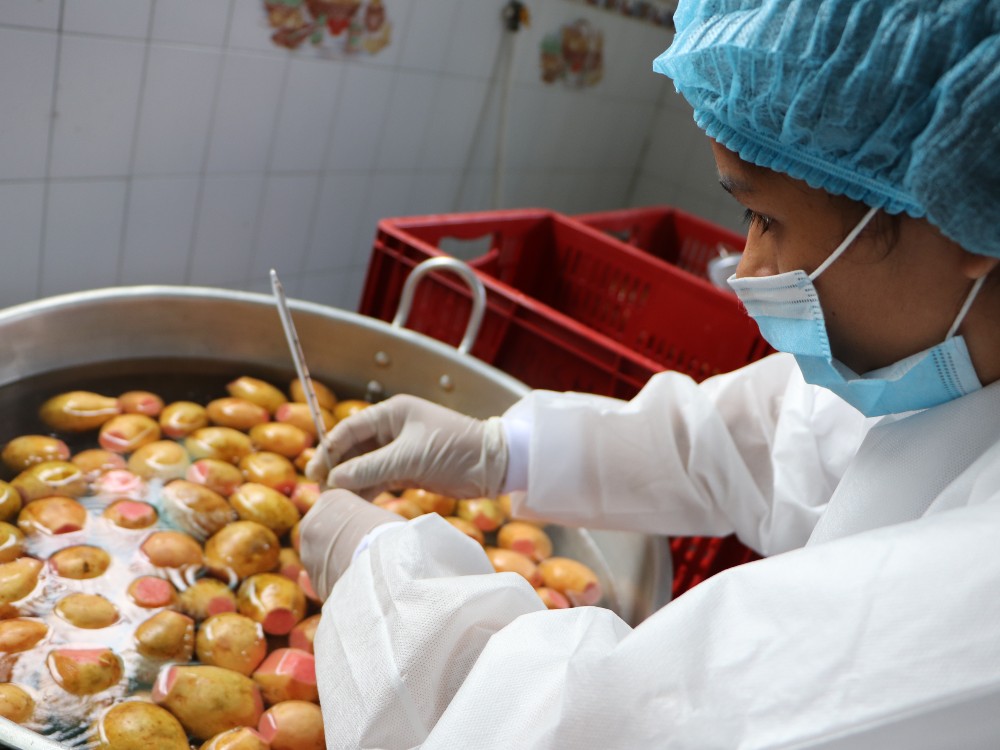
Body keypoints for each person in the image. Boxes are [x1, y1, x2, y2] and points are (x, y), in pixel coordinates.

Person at [299, 0, 1000, 747]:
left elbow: (597, 729)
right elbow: (773, 442)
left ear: (963, 216)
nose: (749, 270)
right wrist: (506, 448)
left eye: (765, 218)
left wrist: (384, 588)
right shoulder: (940, 363)